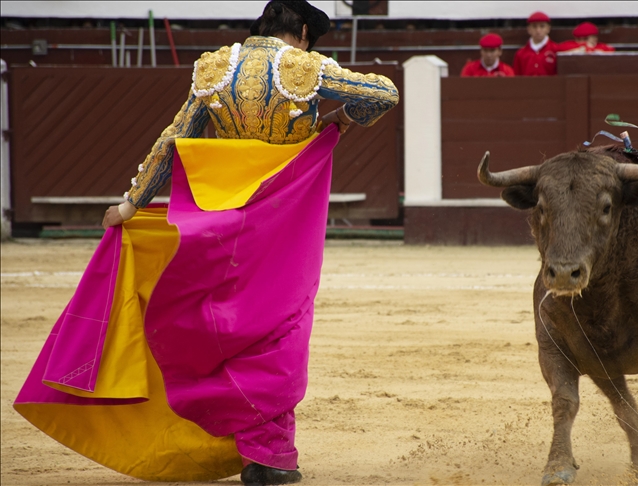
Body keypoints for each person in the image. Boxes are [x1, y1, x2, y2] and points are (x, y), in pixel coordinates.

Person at [14, 1, 398, 486]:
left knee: (225, 321)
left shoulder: (215, 67)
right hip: (282, 222)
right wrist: (341, 117)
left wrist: (131, 205)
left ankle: (241, 445)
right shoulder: (306, 67)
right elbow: (385, 93)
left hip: (223, 222)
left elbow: (175, 139)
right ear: (302, 31)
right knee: (281, 325)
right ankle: (267, 456)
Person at [512, 11, 559, 76]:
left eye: (542, 26)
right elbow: (516, 78)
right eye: (534, 26)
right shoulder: (520, 54)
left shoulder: (555, 50)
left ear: (548, 29)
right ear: (528, 29)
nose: (538, 30)